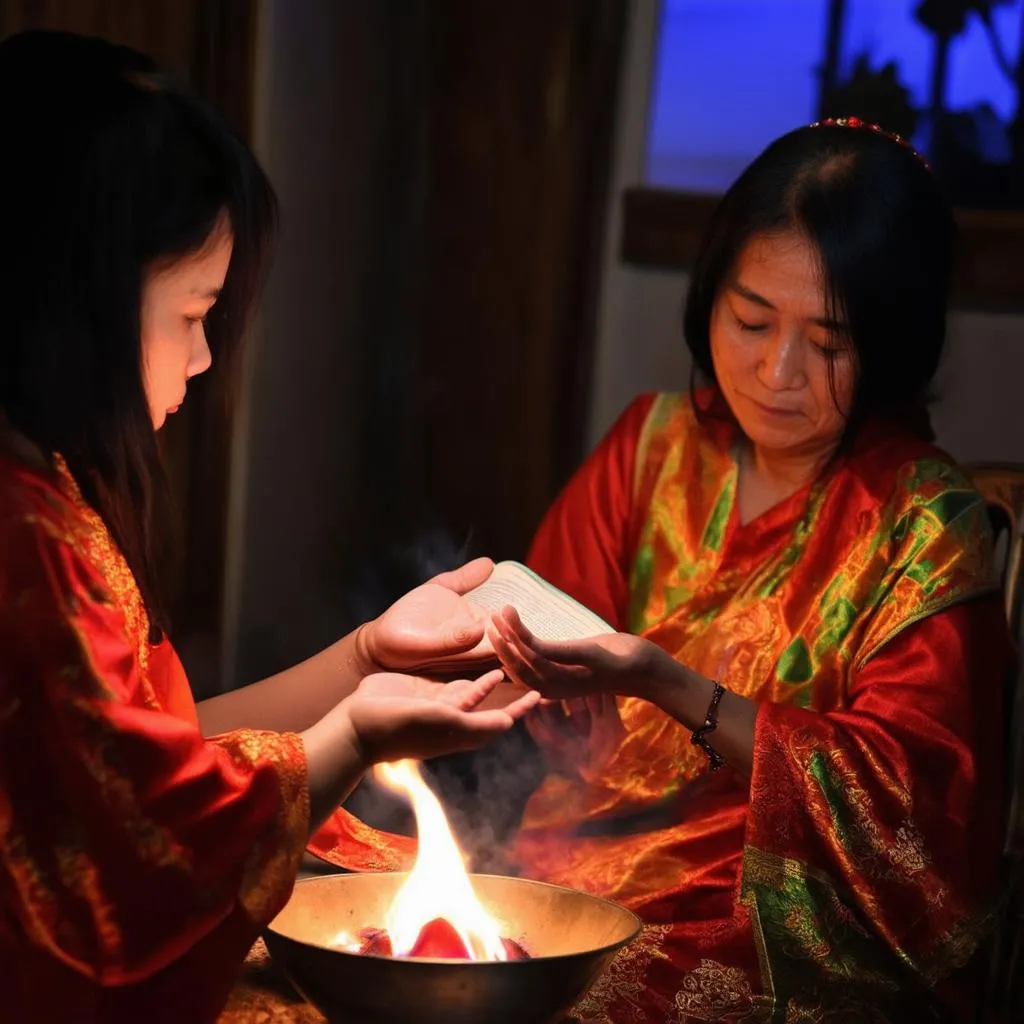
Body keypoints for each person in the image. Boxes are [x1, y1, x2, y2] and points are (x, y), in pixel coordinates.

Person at [0, 30, 536, 1024]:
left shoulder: (53, 489)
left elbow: (153, 755)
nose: (204, 360)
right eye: (193, 311)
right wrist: (353, 735)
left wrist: (366, 656)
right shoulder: (22, 541)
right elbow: (141, 855)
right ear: (75, 297)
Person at [486, 119, 1012, 1022]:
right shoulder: (649, 449)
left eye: (830, 344)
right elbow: (550, 696)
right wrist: (532, 688)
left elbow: (914, 820)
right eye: (751, 319)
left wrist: (671, 686)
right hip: (579, 859)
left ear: (893, 344)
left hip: (783, 918)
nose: (776, 372)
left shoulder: (922, 525)